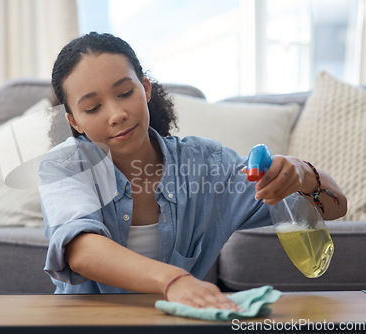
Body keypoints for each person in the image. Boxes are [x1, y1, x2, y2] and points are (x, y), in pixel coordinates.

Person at [38, 32, 347, 310]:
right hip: (88, 324)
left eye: (124, 93)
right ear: (74, 121)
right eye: (93, 108)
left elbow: (335, 207)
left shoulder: (206, 166)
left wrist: (302, 173)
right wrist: (174, 281)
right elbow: (80, 250)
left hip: (178, 322)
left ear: (144, 89)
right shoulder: (65, 165)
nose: (117, 114)